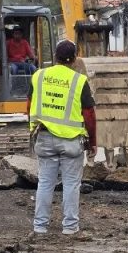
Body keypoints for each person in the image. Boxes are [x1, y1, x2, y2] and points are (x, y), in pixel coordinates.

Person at [28, 39, 96, 239]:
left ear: (55, 57)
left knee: (45, 183)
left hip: (45, 137)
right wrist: (93, 142)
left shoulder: (39, 76)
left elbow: (29, 104)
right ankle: (70, 227)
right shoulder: (79, 81)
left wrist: (32, 129)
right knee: (71, 184)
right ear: (74, 59)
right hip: (71, 142)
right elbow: (89, 115)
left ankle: (40, 227)